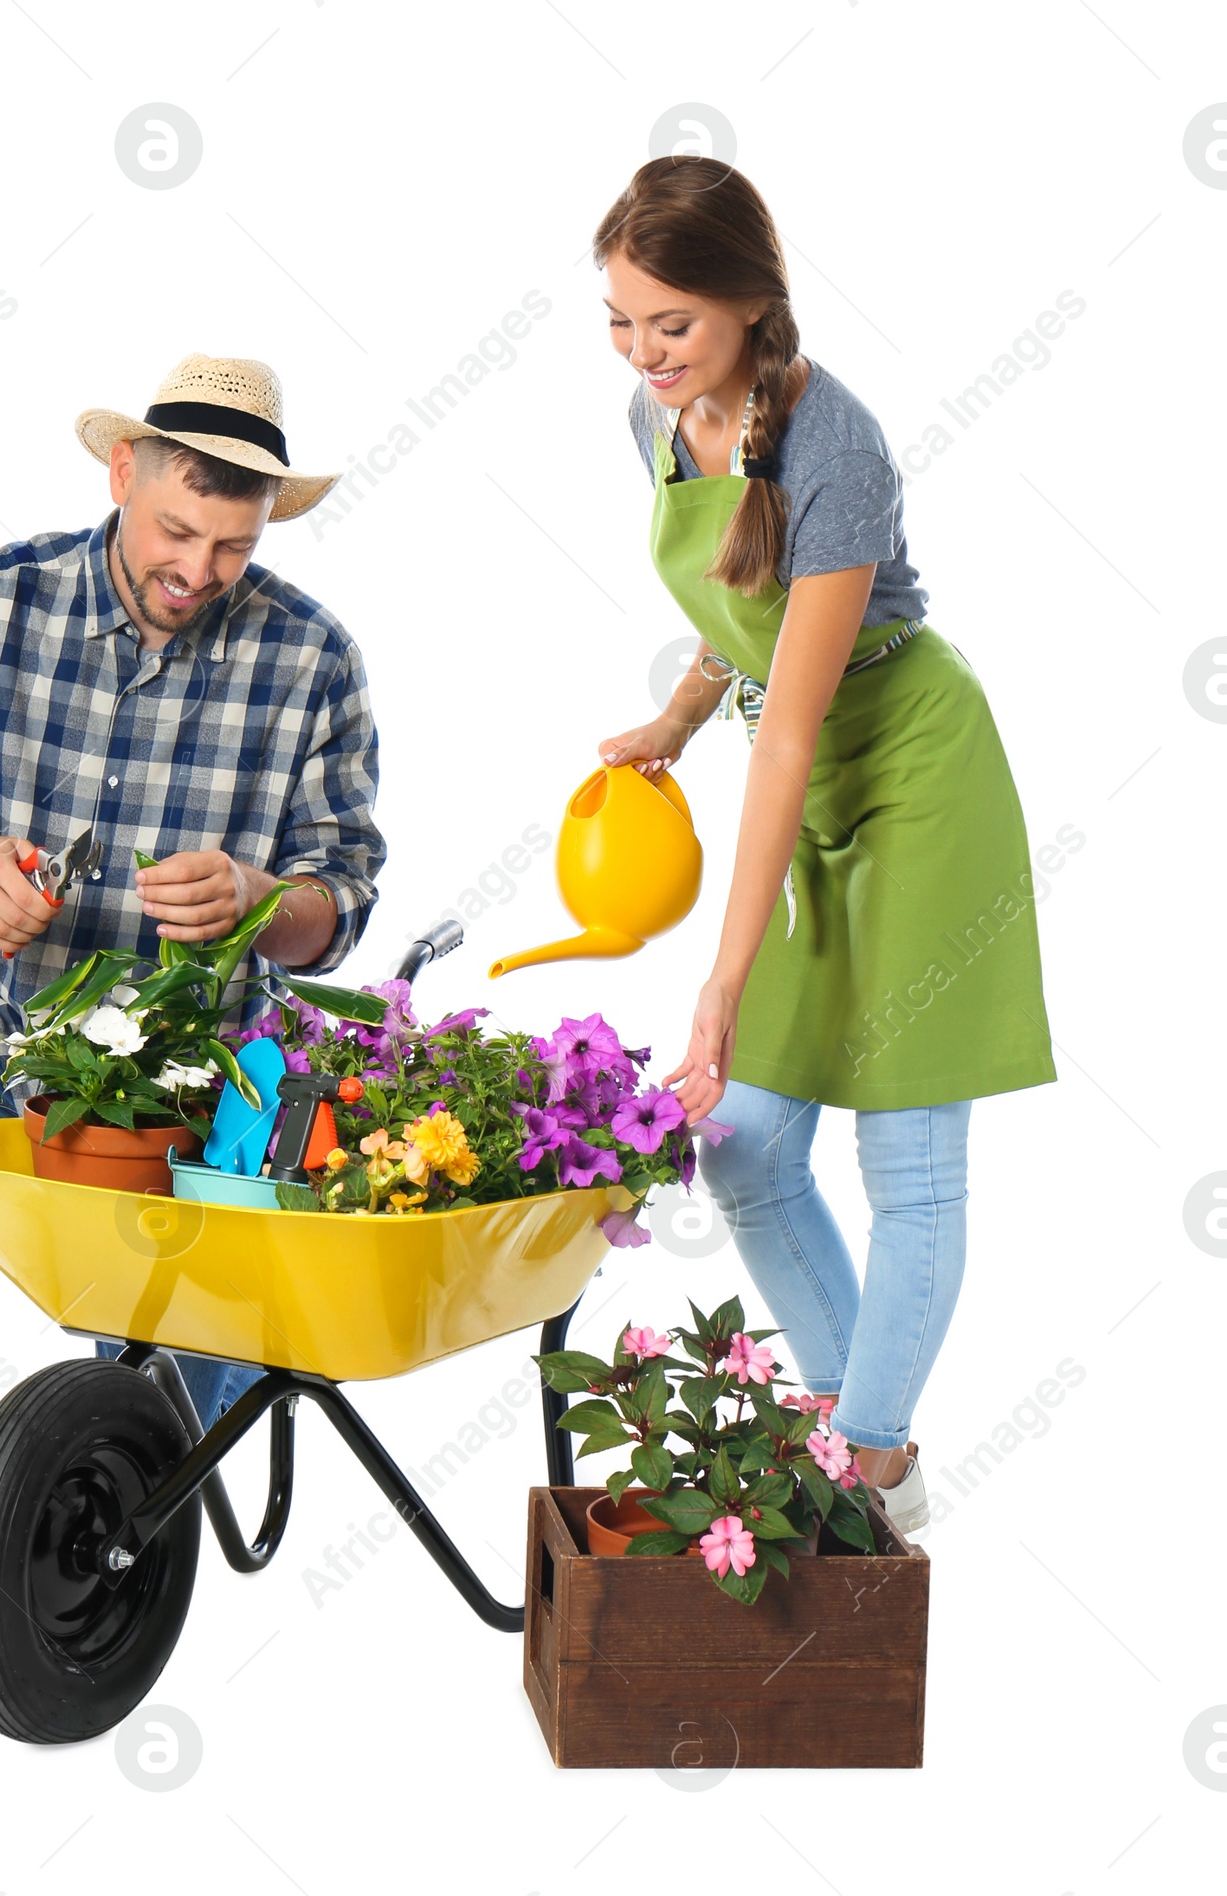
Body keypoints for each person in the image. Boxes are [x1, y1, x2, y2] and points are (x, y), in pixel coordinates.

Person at [0, 353, 386, 1581]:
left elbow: (343, 893)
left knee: (148, 1466)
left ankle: (99, 1497)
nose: (196, 572)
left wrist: (266, 905)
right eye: (174, 530)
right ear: (123, 474)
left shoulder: (311, 656)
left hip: (203, 1094)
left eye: (231, 546)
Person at [593, 159, 1055, 1537]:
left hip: (913, 775)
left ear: (749, 301)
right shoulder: (658, 420)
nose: (643, 353)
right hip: (811, 769)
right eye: (620, 320)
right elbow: (744, 614)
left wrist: (718, 989)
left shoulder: (834, 452)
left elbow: (788, 733)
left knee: (906, 1162)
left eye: (669, 323)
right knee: (741, 1149)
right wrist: (680, 713)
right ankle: (872, 1452)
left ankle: (864, 1456)